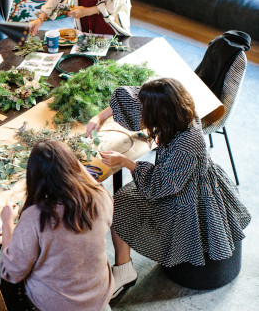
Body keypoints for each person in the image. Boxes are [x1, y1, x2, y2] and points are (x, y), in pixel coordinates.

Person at [86, 78, 251, 297]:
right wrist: (101, 116)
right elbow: (132, 96)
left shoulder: (187, 145)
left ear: (161, 114)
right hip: (178, 178)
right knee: (122, 199)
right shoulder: (179, 108)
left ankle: (124, 270)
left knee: (118, 207)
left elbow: (159, 186)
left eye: (147, 112)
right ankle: (124, 266)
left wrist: (126, 162)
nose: (142, 114)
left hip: (185, 195)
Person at [0, 140, 114, 311]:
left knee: (10, 288)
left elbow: (11, 273)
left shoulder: (35, 217)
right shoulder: (100, 198)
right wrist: (68, 159)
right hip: (99, 295)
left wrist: (7, 223)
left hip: (56, 310)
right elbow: (94, 185)